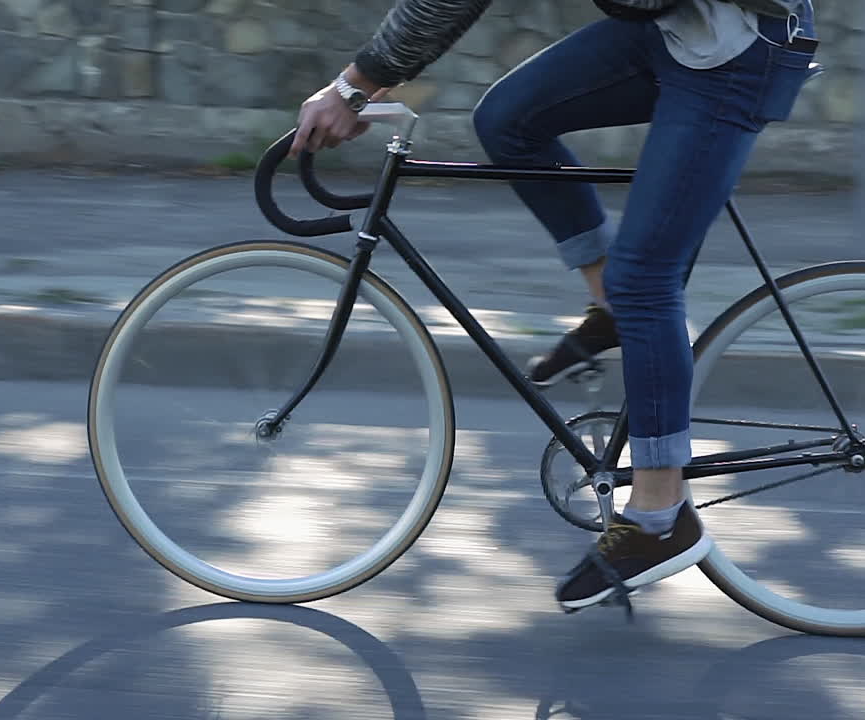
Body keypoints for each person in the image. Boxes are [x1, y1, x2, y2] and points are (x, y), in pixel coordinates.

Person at [290, 0, 818, 612]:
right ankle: (611, 303)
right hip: (674, 32)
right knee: (508, 120)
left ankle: (659, 518)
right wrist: (360, 83)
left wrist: (354, 85)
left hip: (739, 48)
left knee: (646, 277)